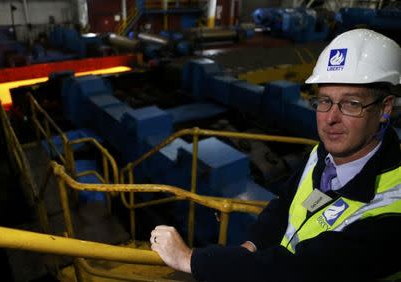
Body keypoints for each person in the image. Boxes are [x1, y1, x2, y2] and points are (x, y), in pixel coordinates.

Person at [149, 28, 401, 281]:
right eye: (324, 101)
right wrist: (251, 246)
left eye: (351, 103)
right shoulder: (321, 155)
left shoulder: (392, 208)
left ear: (384, 109)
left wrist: (190, 259)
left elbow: (302, 269)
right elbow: (283, 207)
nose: (330, 119)